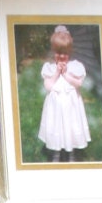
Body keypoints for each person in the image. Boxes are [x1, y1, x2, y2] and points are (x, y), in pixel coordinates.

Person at [37, 25, 90, 162]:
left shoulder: (75, 67)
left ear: (70, 53)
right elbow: (48, 86)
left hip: (71, 105)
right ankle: (56, 152)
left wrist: (66, 74)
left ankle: (71, 153)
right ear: (53, 52)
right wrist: (56, 73)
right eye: (58, 53)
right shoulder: (49, 68)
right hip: (55, 107)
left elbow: (78, 83)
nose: (61, 57)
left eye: (65, 54)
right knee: (57, 126)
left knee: (70, 126)